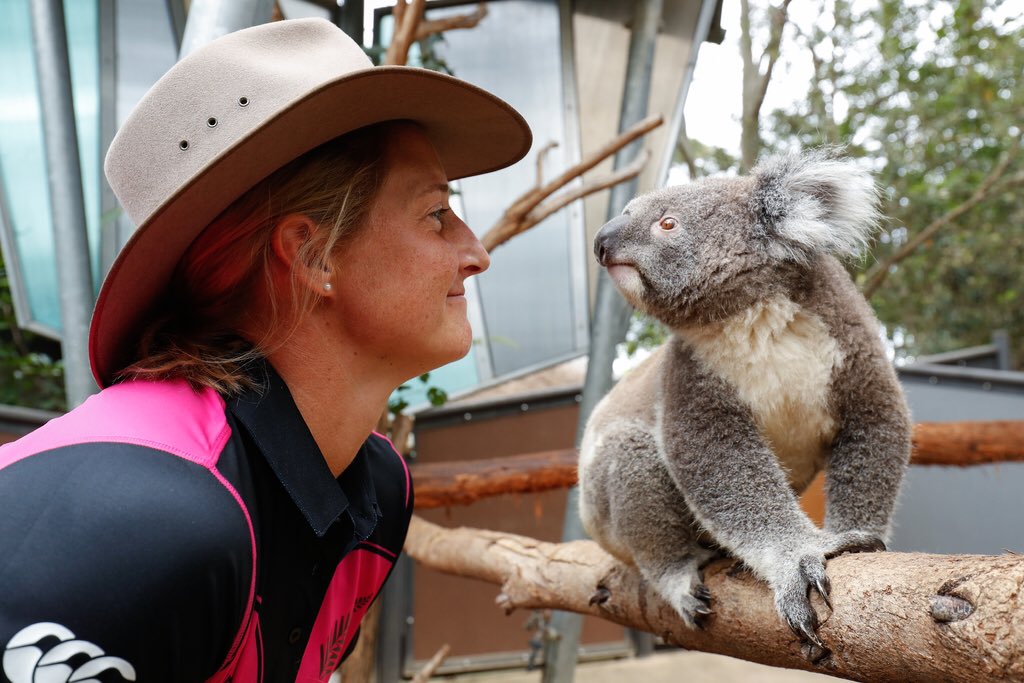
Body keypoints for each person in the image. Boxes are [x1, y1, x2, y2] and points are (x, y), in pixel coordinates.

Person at [0, 18, 530, 683]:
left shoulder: (374, 491)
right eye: (436, 215)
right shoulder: (148, 521)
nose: (475, 252)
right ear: (311, 255)